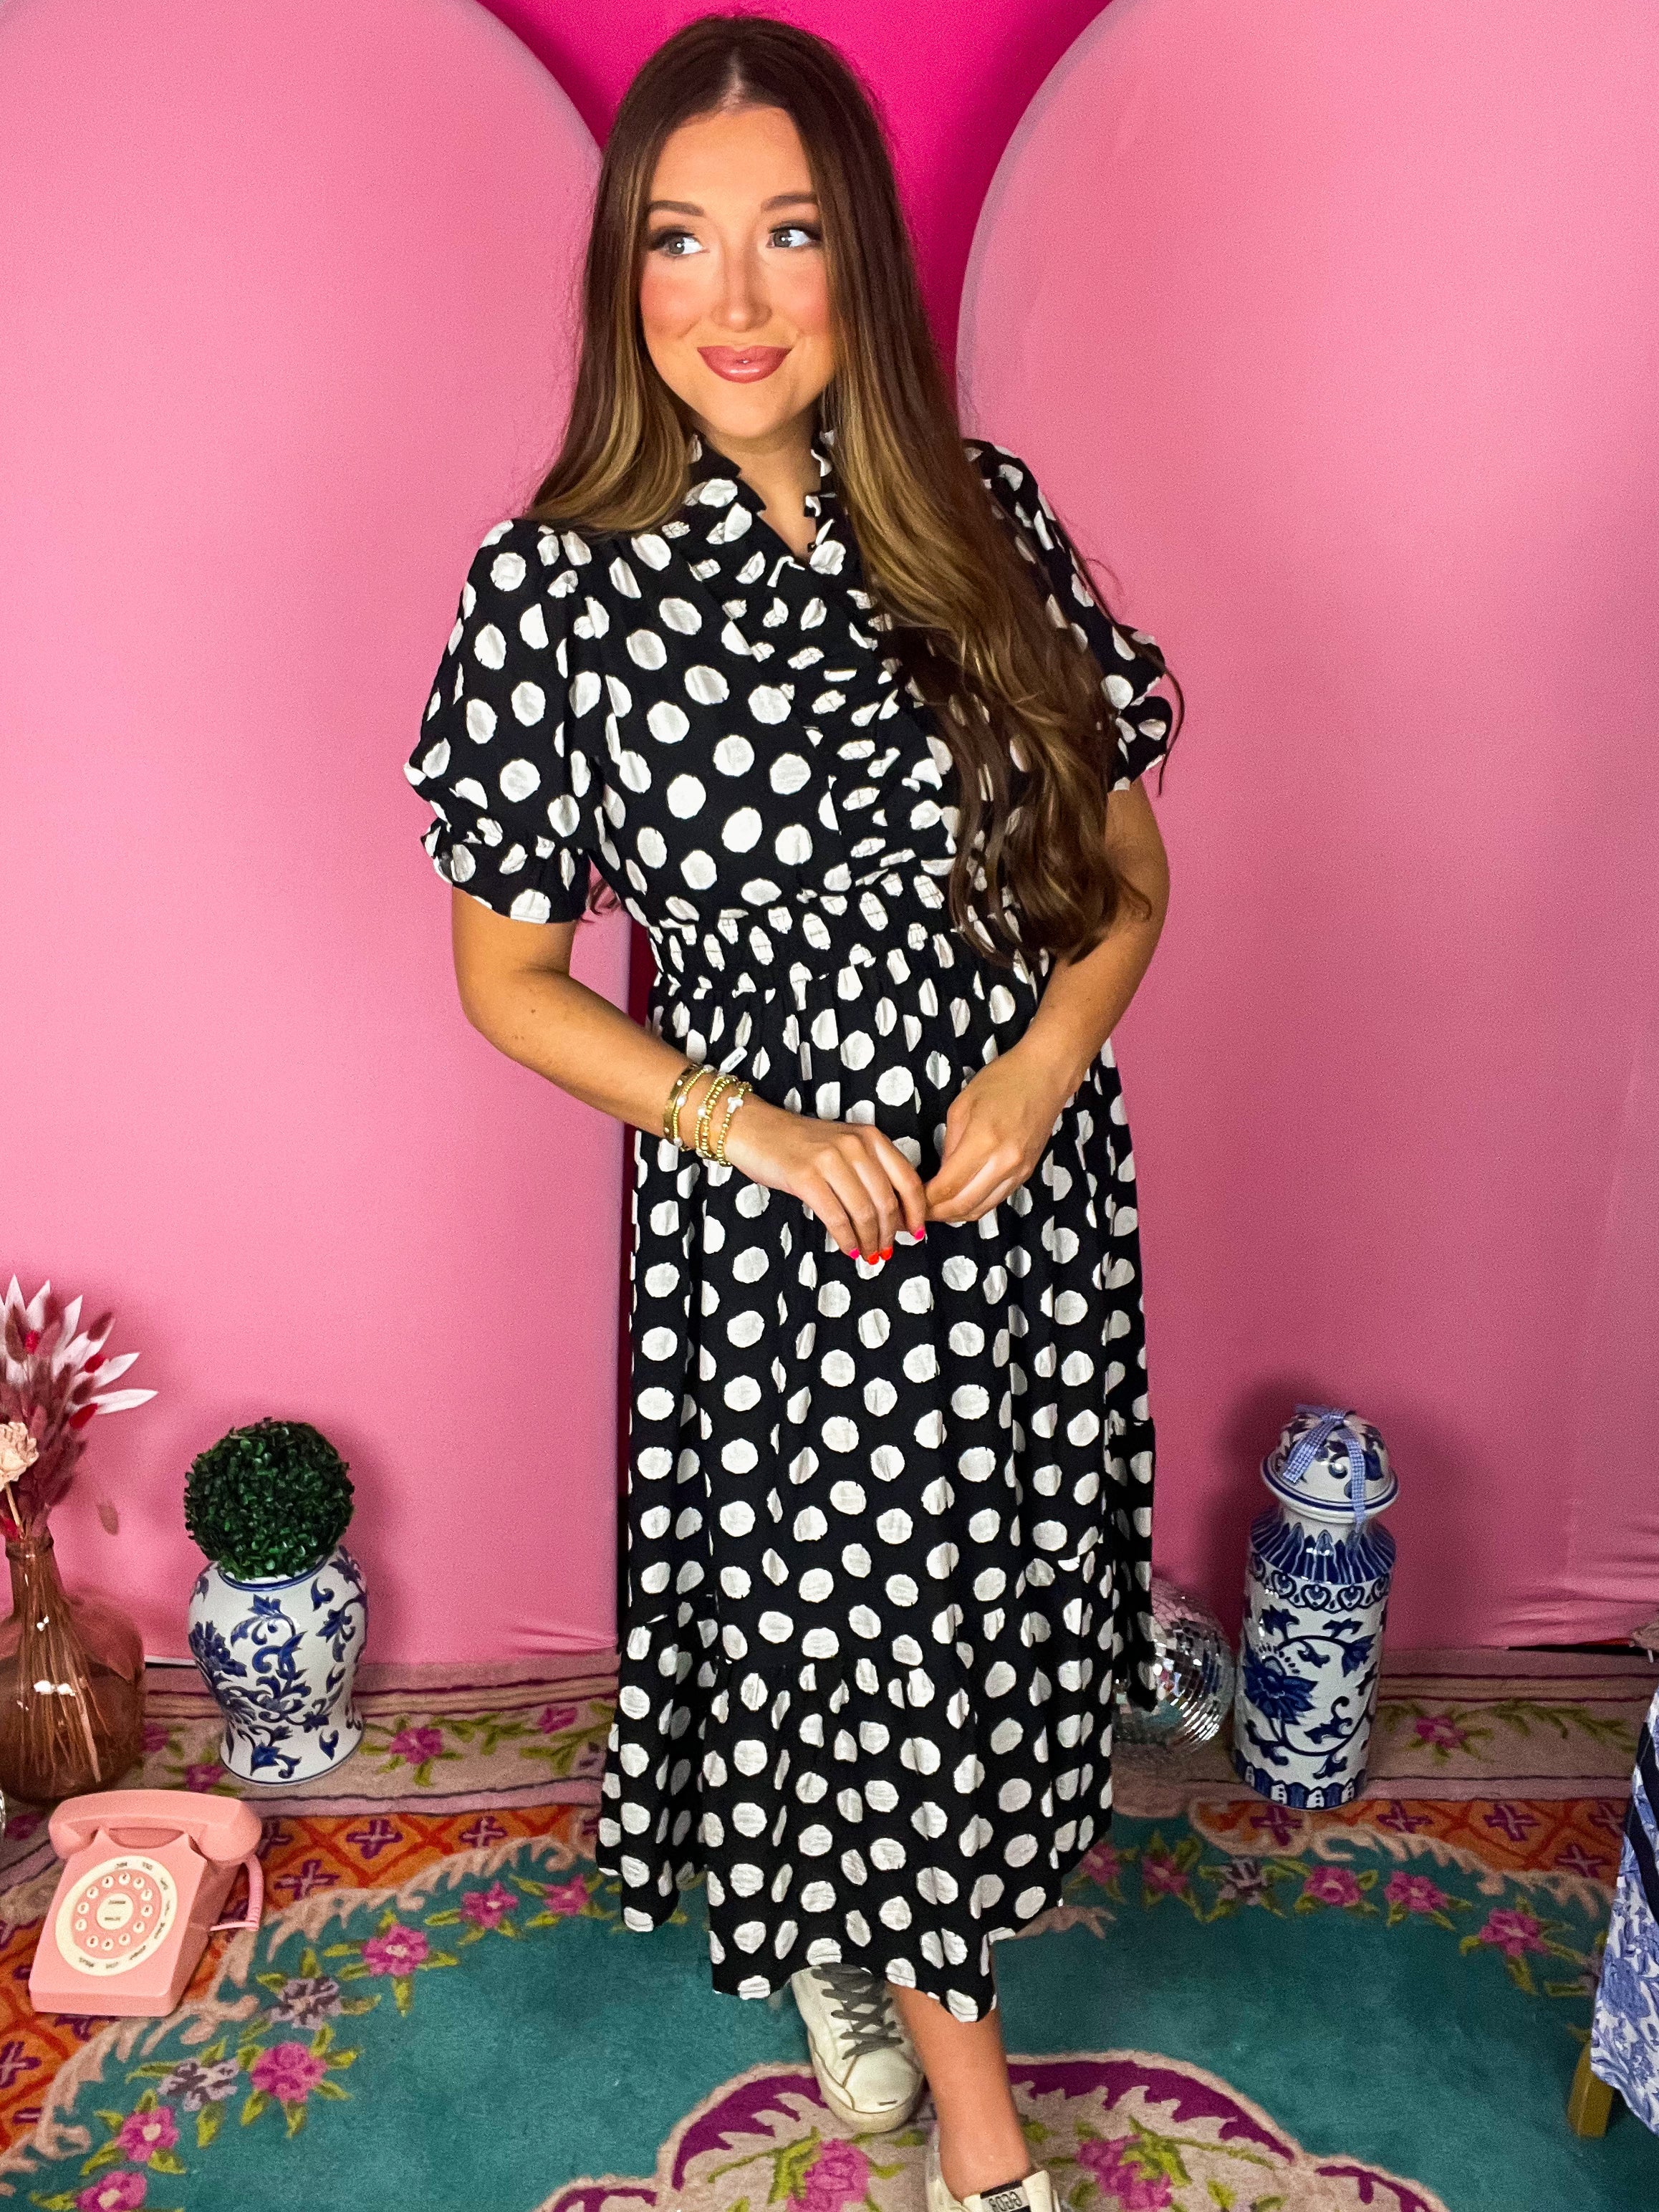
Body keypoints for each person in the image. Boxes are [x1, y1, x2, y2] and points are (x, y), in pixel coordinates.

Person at [403, 16, 1181, 2211]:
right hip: (786, 1218)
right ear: (621, 273)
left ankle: (855, 1921)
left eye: (788, 236)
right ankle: (983, 2143)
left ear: (860, 266)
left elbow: (1125, 878)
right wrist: (748, 1128)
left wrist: (1042, 1060)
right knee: (867, 1621)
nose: (730, 300)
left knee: (982, 1615)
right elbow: (504, 980)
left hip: (1020, 1182)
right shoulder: (550, 588)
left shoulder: (983, 518)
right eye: (678, 240)